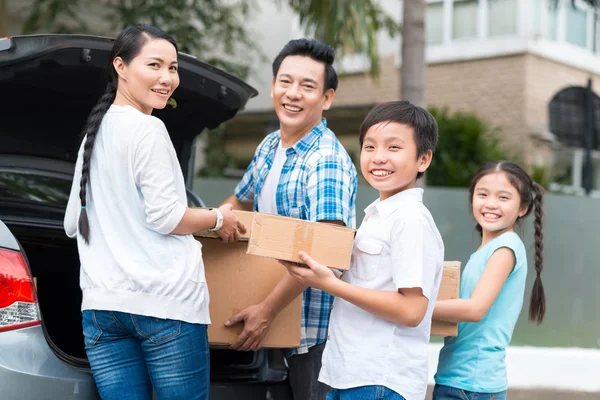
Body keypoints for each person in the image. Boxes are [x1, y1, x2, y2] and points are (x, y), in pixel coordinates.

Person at [64, 24, 244, 400]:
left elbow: (71, 224)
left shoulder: (93, 136)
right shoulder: (148, 130)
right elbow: (167, 218)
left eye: (174, 68)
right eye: (155, 65)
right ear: (121, 66)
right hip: (165, 306)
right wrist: (218, 217)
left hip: (102, 309)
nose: (167, 78)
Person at [221, 38, 358, 399]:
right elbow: (237, 202)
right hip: (271, 318)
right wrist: (200, 226)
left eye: (307, 86)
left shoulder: (325, 158)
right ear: (273, 86)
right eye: (285, 81)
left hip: (312, 335)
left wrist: (266, 311)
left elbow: (324, 251)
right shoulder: (269, 145)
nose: (293, 94)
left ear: (327, 98)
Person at [282, 100, 444, 400]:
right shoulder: (376, 216)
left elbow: (412, 310)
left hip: (379, 380)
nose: (378, 158)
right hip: (349, 374)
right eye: (370, 147)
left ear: (423, 159)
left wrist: (330, 285)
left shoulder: (410, 219)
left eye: (393, 148)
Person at [432, 161, 546, 400]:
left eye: (503, 197)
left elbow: (474, 309)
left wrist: (413, 307)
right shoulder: (489, 249)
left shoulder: (505, 249)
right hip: (460, 379)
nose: (491, 204)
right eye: (482, 194)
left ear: (523, 207)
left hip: (472, 385)